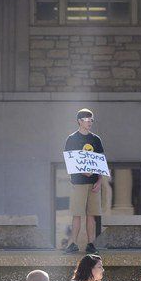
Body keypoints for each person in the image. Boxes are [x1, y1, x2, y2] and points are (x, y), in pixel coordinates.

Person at [63, 108, 105, 254]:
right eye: (88, 120)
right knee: (77, 213)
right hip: (78, 183)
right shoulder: (72, 139)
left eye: (92, 120)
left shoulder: (96, 139)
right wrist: (82, 171)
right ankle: (72, 243)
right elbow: (69, 161)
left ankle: (91, 244)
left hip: (94, 183)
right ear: (80, 121)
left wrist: (99, 181)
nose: (90, 123)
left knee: (91, 215)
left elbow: (100, 162)